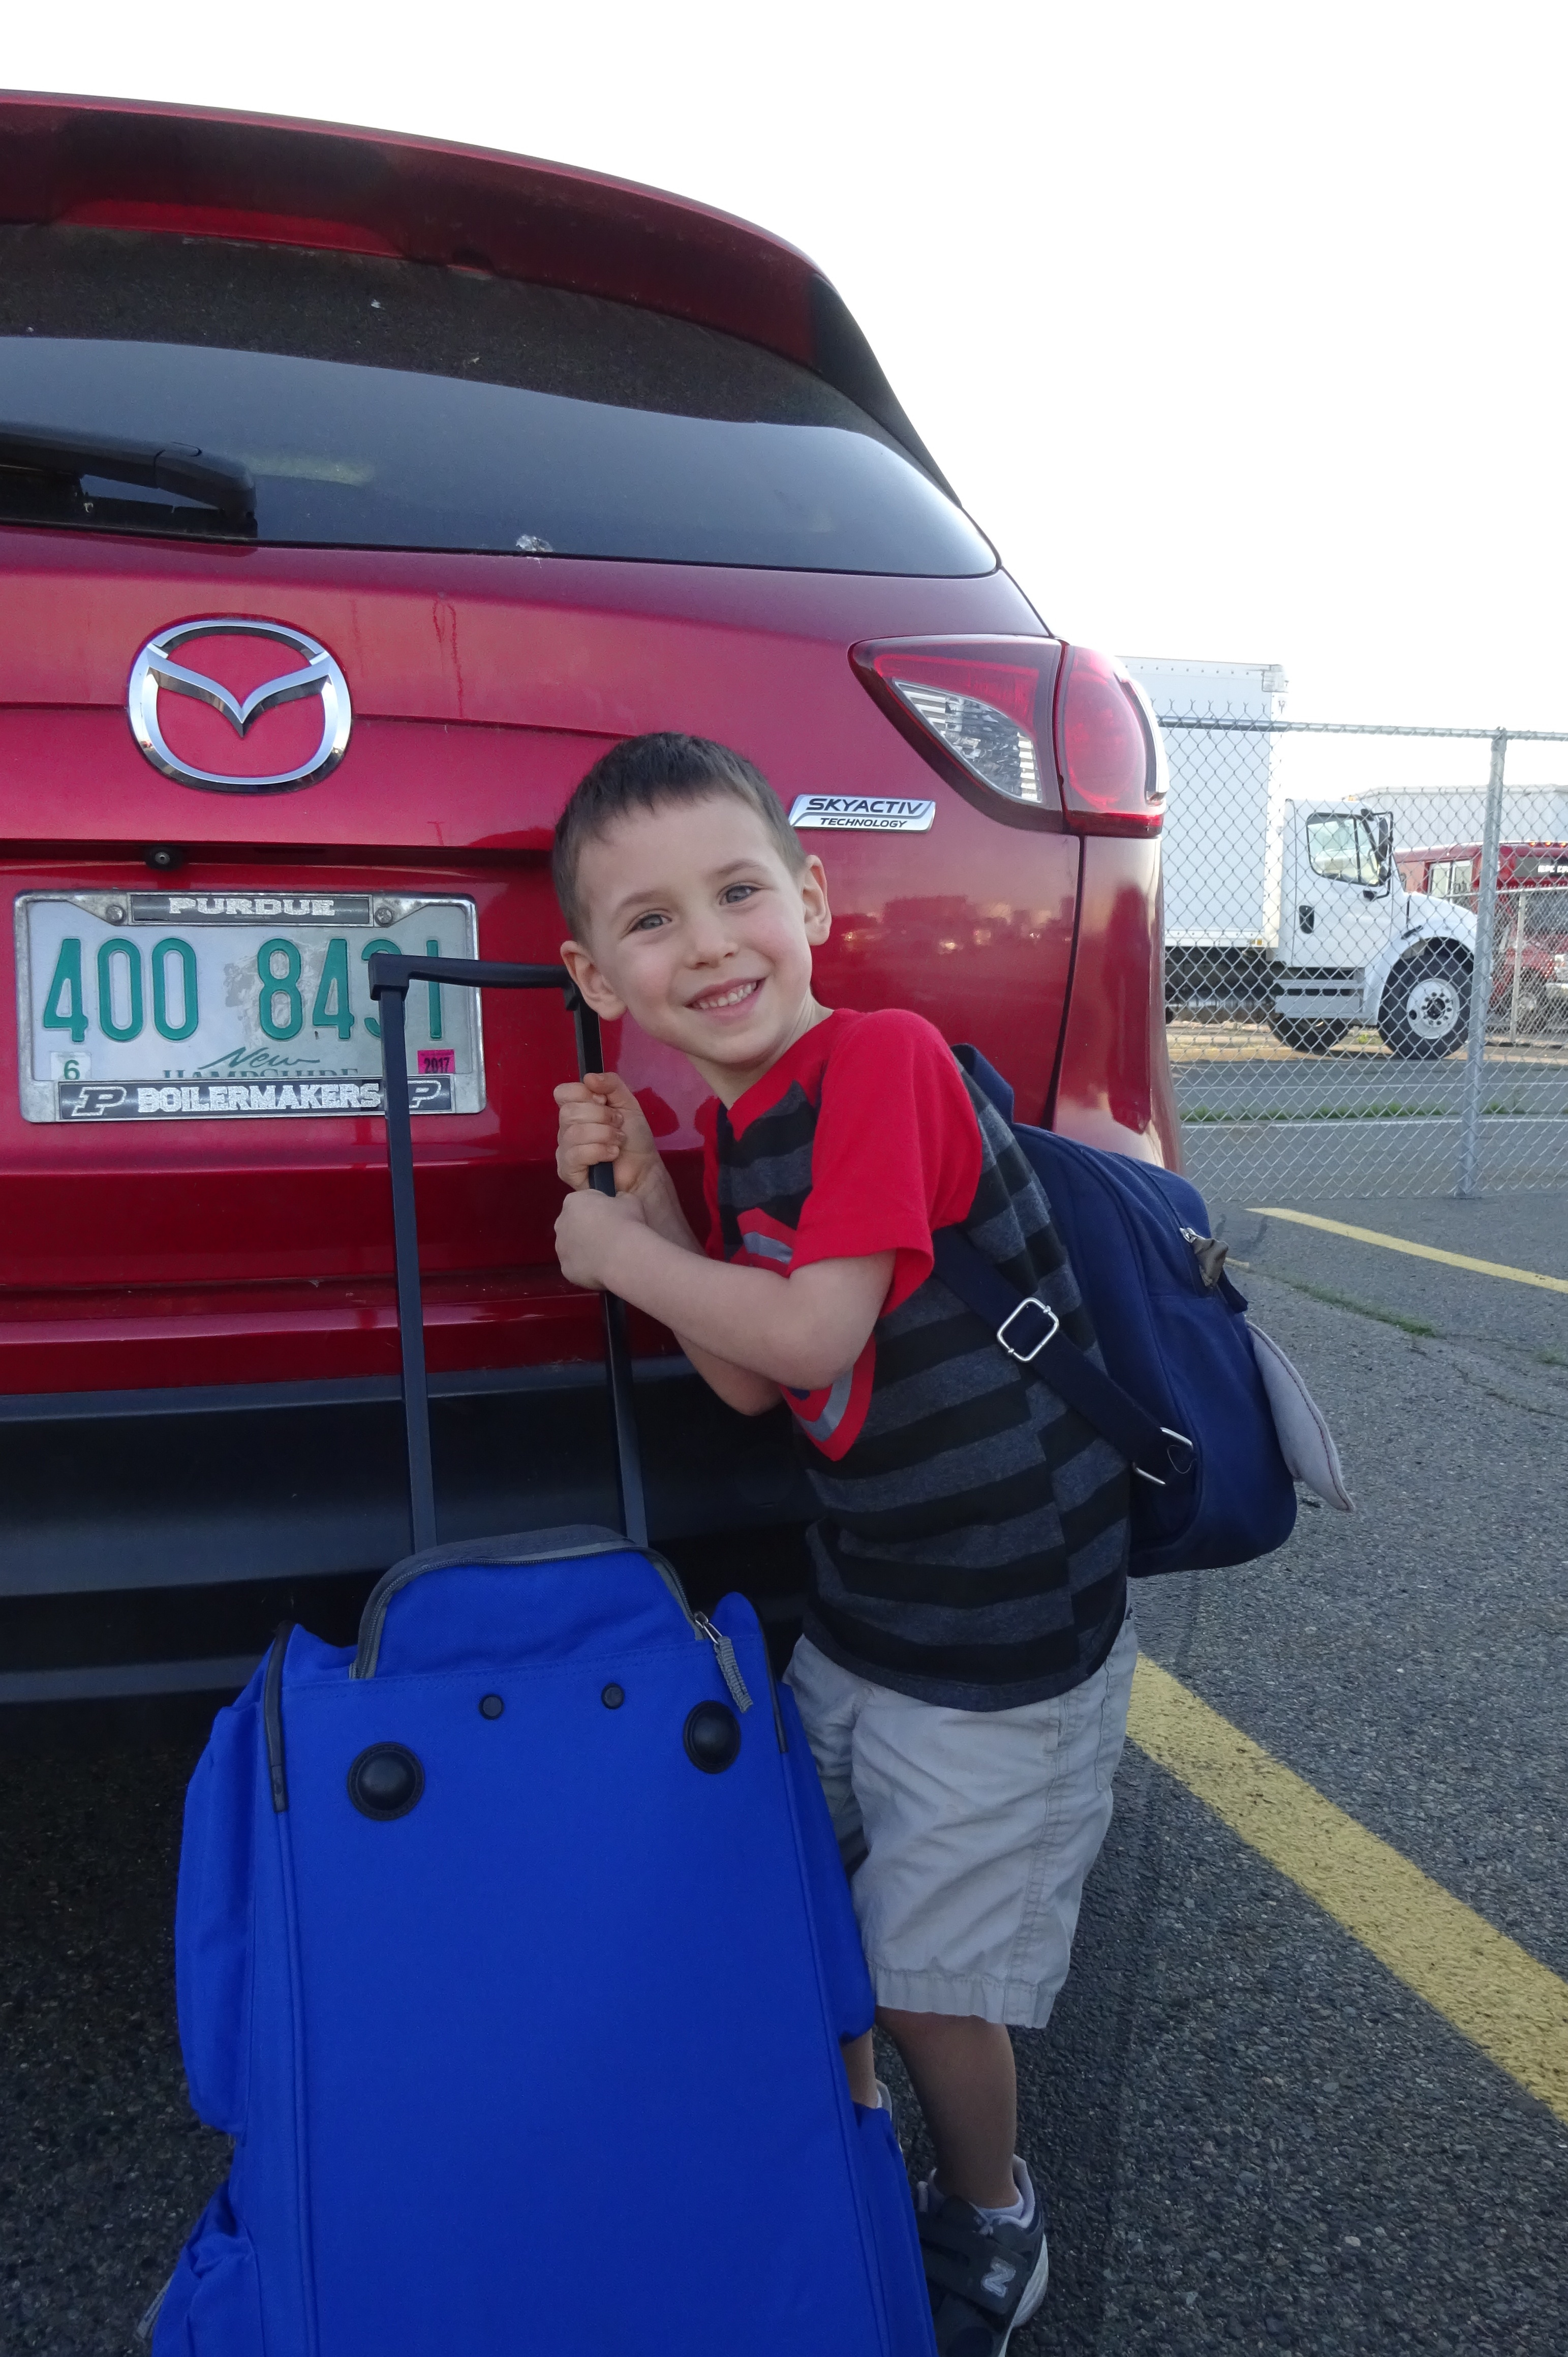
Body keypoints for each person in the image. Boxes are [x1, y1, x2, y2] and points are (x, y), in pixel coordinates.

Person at [550, 732, 1137, 2357]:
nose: (710, 943)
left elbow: (812, 1332)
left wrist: (613, 1253)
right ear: (597, 976)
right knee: (799, 1888)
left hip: (1005, 1635)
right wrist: (655, 1197)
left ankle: (994, 2209)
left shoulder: (880, 1059)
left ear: (811, 900)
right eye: (651, 921)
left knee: (933, 1975)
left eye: (739, 891)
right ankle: (841, 2153)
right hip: (878, 1607)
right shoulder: (748, 1123)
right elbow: (755, 1376)